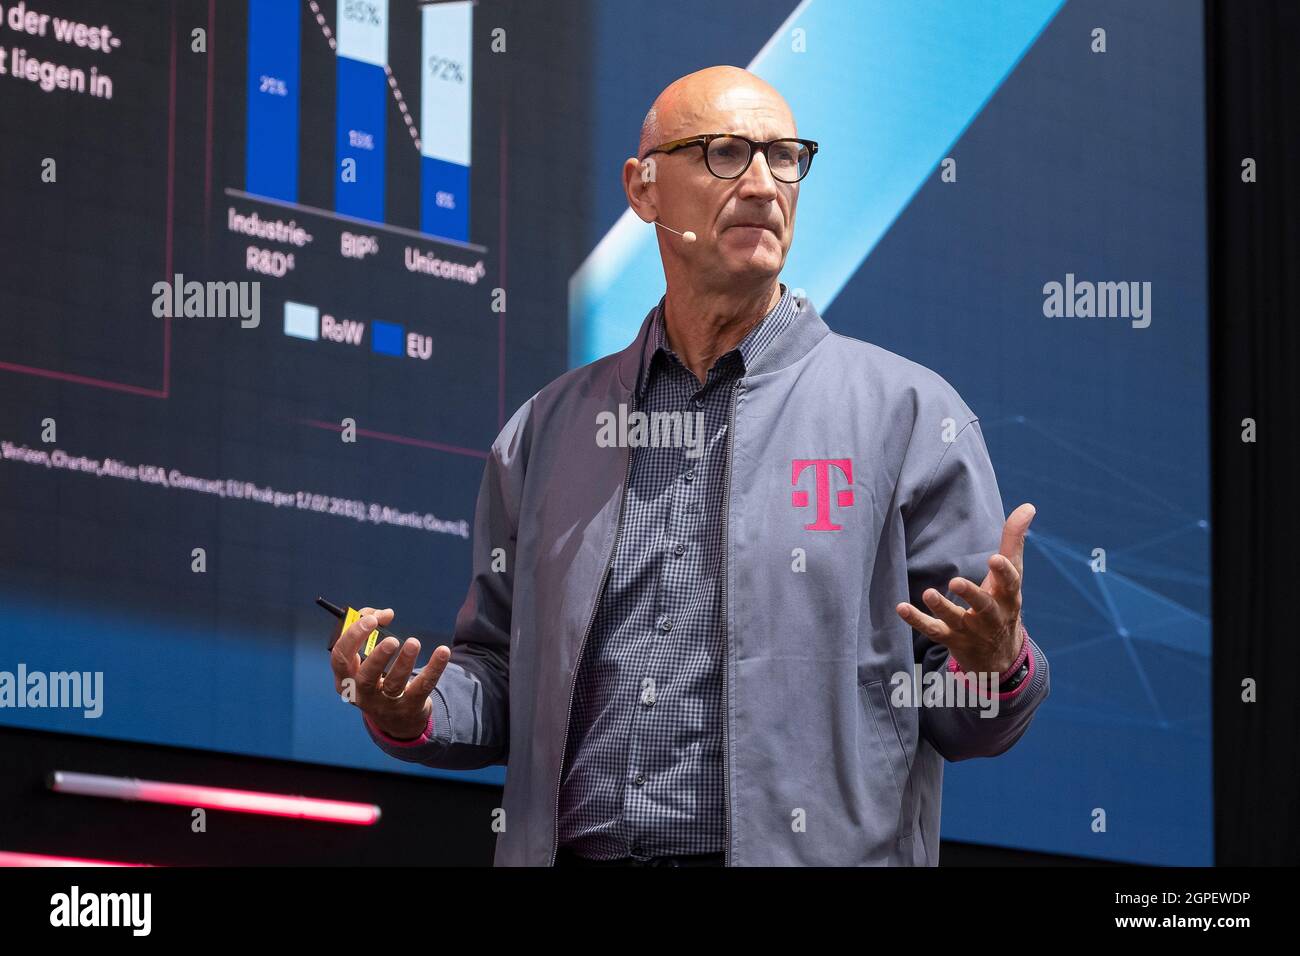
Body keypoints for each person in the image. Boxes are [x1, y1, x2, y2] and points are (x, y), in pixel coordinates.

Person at [330, 65, 1049, 866]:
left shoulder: (910, 418)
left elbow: (971, 714)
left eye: (784, 157)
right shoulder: (546, 432)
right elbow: (500, 683)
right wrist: (409, 709)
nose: (762, 183)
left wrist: (994, 664)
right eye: (724, 152)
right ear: (644, 190)